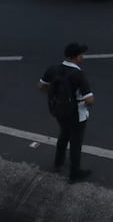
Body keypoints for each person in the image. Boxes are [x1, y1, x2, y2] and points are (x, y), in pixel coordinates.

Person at [38, 42, 96, 182]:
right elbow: (90, 100)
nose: (83, 57)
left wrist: (58, 97)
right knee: (76, 143)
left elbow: (41, 86)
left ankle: (58, 163)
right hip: (76, 114)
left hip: (59, 111)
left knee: (63, 135)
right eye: (81, 55)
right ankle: (74, 173)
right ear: (76, 57)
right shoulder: (78, 75)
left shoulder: (53, 69)